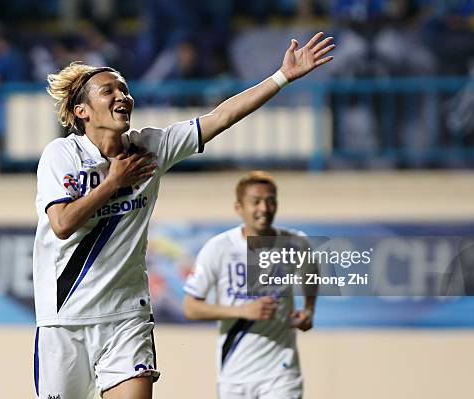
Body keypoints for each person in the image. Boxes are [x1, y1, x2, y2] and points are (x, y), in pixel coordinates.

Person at [32, 32, 334, 399]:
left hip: (127, 317)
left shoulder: (151, 146)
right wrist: (114, 182)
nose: (122, 96)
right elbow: (62, 224)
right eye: (108, 91)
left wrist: (282, 77)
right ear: (82, 111)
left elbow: (220, 117)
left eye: (124, 89)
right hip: (65, 321)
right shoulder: (61, 155)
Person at [182, 171, 318, 399]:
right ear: (238, 208)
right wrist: (242, 311)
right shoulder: (219, 248)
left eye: (270, 200)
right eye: (256, 201)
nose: (264, 208)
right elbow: (190, 307)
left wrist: (308, 310)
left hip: (281, 373)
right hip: (234, 374)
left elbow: (311, 273)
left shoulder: (296, 243)